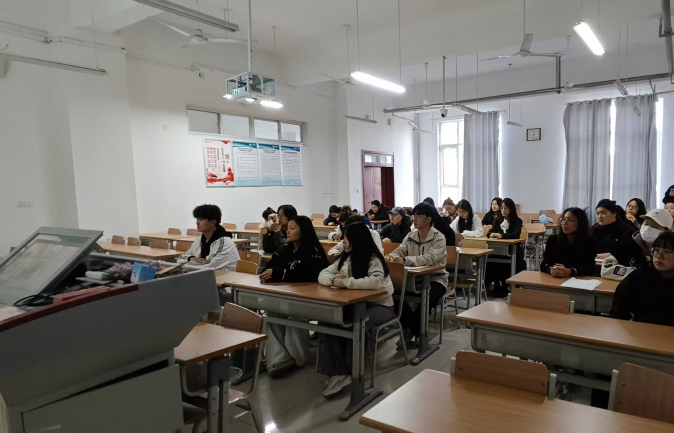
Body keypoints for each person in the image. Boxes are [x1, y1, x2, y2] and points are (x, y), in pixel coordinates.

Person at [317, 219, 395, 397]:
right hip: (356, 304)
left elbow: (375, 282)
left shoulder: (374, 259)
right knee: (329, 322)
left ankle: (353, 373)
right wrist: (332, 280)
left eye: (346, 239)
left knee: (356, 325)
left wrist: (345, 282)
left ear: (357, 240)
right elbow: (323, 273)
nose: (343, 242)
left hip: (381, 305)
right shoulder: (346, 257)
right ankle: (339, 372)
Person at [259, 215, 329, 377]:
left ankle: (297, 359)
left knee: (294, 318)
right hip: (287, 296)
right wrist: (269, 273)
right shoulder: (286, 249)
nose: (287, 231)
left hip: (311, 300)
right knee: (272, 314)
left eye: (292, 228)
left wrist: (279, 273)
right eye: (287, 228)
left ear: (303, 231)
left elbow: (307, 274)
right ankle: (278, 359)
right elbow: (269, 266)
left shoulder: (314, 251)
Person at [386, 203, 453, 346]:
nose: (414, 219)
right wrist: (390, 257)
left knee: (426, 299)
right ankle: (414, 330)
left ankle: (412, 332)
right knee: (394, 295)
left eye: (418, 216)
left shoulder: (438, 237)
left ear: (428, 219)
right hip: (413, 278)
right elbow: (400, 251)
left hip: (436, 279)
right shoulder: (411, 236)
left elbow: (428, 258)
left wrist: (405, 260)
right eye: (414, 216)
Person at [610, 231, 674, 326]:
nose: (659, 256)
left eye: (667, 252)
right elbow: (619, 308)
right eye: (656, 250)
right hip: (639, 330)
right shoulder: (640, 275)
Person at [485, 198, 527, 297]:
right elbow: (489, 232)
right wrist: (491, 235)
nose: (503, 210)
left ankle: (510, 285)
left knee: (518, 262)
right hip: (499, 251)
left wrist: (501, 236)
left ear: (511, 209)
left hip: (514, 251)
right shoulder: (497, 220)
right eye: (502, 208)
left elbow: (515, 235)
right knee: (490, 260)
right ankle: (496, 284)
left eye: (506, 208)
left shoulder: (517, 221)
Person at [178, 204, 239, 271]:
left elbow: (209, 265)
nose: (197, 223)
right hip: (207, 274)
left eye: (201, 219)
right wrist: (191, 258)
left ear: (212, 222)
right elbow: (180, 258)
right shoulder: (200, 239)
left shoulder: (225, 242)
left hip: (226, 276)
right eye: (197, 219)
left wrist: (181, 265)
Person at [540, 207, 595, 277]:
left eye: (570, 220)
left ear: (580, 223)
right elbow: (544, 264)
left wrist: (570, 272)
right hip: (555, 279)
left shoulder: (589, 242)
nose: (564, 223)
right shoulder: (553, 240)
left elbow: (589, 268)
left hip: (579, 280)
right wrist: (551, 270)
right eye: (563, 219)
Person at [589, 199, 642, 267]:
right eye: (597, 213)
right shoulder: (592, 230)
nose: (599, 217)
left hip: (619, 268)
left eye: (603, 213)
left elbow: (635, 254)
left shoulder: (628, 231)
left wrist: (614, 256)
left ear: (614, 213)